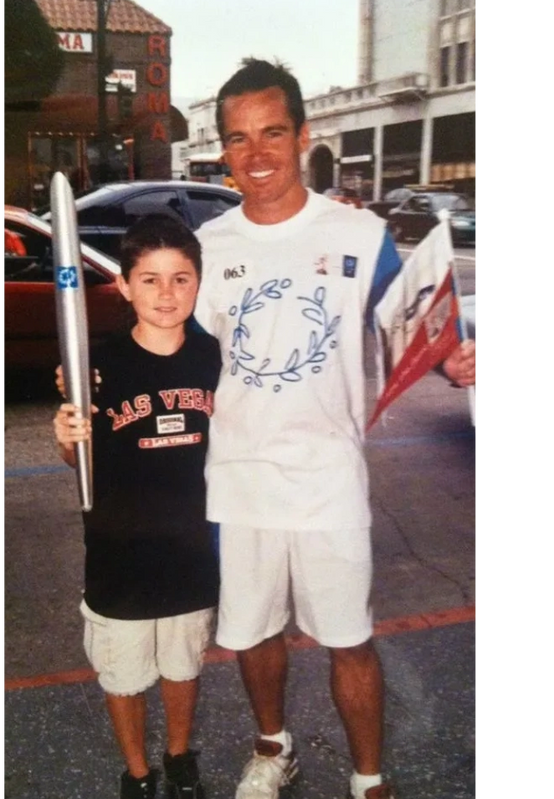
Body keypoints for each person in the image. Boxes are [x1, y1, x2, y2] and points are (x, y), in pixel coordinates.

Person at [191, 59, 479, 799]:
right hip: (239, 479)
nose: (256, 155)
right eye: (238, 139)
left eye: (272, 134)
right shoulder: (209, 244)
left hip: (328, 479)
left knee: (350, 637)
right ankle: (271, 747)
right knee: (252, 632)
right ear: (222, 149)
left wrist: (455, 359)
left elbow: (413, 327)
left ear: (302, 135)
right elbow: (176, 355)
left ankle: (369, 778)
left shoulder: (360, 232)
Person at [53, 213, 221, 799]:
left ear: (199, 281)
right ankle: (138, 772)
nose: (166, 293)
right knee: (123, 675)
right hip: (119, 552)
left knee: (183, 665)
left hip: (191, 551)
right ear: (123, 285)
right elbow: (82, 463)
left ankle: (177, 758)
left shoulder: (213, 358)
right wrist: (67, 438)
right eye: (149, 279)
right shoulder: (95, 368)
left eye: (180, 278)